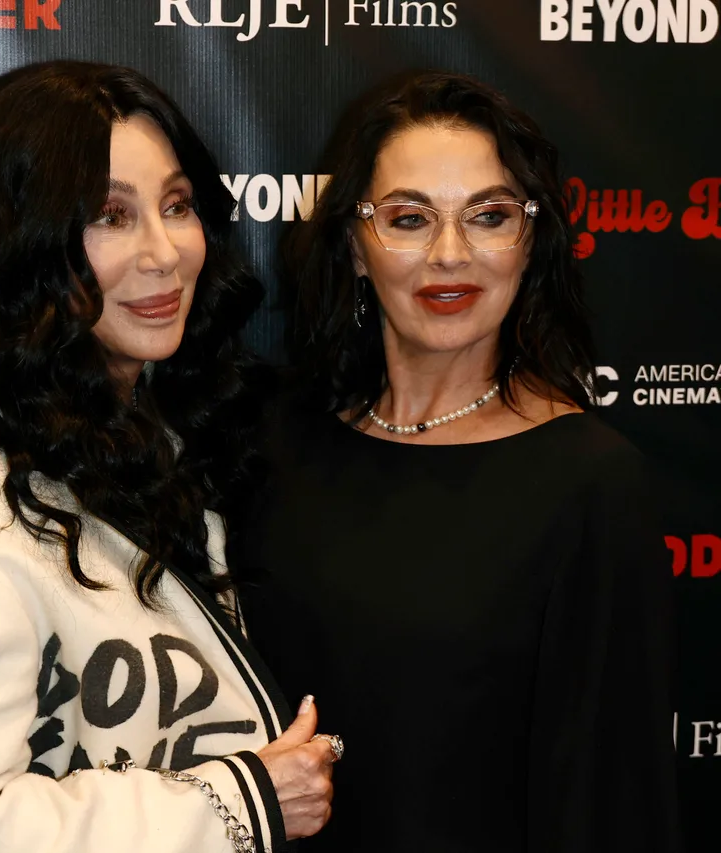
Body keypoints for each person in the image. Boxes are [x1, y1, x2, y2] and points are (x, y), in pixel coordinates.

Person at [0, 62, 335, 853]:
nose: (165, 253)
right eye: (111, 216)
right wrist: (243, 798)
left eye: (176, 206)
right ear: (25, 242)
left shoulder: (149, 433)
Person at [229, 71, 680, 852]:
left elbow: (615, 802)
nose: (449, 255)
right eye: (409, 218)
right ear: (355, 247)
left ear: (529, 242)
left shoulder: (592, 484)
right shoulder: (273, 447)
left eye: (489, 216)